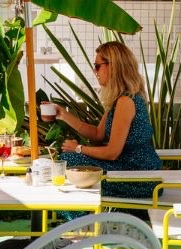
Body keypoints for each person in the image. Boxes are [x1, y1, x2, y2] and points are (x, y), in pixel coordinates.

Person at [51, 41, 162, 199]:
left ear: (114, 67)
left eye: (97, 66)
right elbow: (97, 134)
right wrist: (63, 115)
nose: (94, 71)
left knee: (69, 161)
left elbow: (112, 153)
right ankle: (84, 217)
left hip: (139, 178)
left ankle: (82, 218)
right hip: (126, 170)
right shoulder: (119, 98)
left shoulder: (126, 101)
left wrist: (78, 148)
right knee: (70, 165)